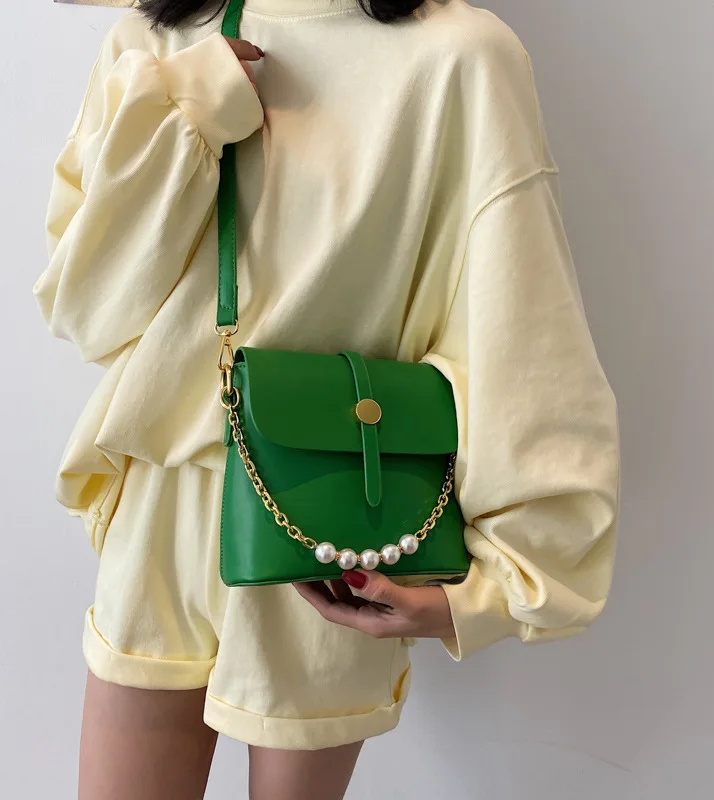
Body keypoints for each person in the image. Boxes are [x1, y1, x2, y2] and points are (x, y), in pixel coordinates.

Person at [33, 0, 621, 798]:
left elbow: (524, 326)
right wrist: (190, 110)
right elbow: (84, 309)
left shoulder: (463, 57)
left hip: (337, 521)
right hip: (162, 515)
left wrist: (494, 590)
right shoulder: (157, 43)